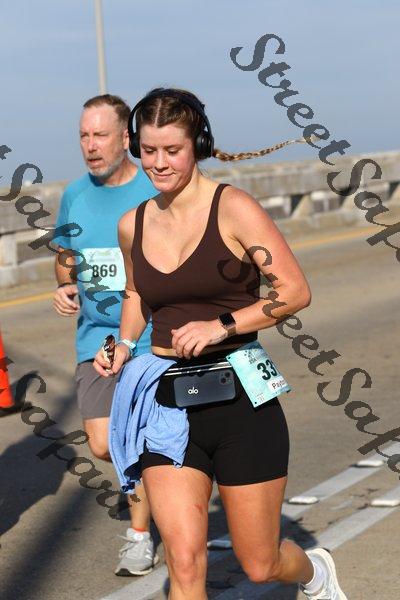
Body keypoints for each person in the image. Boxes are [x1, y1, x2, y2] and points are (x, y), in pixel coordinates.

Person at [94, 88, 348, 599]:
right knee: (185, 564)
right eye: (149, 150)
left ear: (198, 145)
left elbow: (293, 291)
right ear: (134, 146)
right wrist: (124, 342)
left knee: (260, 563)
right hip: (165, 405)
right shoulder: (132, 224)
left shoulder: (234, 209)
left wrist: (222, 325)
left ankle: (314, 573)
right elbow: (137, 292)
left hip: (240, 398)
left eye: (172, 150)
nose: (159, 163)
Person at [52, 94, 160, 576]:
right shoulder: (75, 194)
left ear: (125, 138)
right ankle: (164, 486)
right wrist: (65, 285)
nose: (90, 146)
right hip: (96, 339)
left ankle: (140, 535)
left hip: (152, 337)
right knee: (102, 444)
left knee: (134, 438)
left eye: (100, 135)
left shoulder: (152, 189)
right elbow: (65, 255)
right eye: (83, 135)